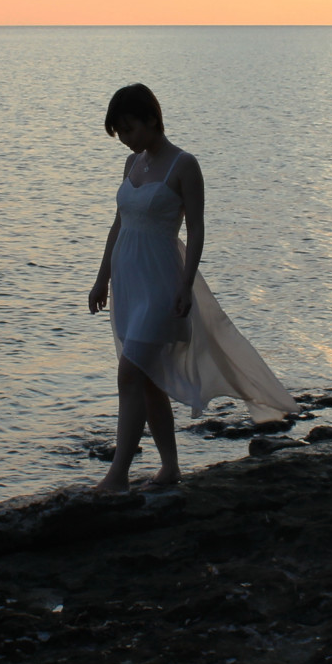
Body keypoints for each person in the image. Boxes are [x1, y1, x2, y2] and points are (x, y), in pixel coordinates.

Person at [86, 83, 299, 493]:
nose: (126, 139)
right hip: (129, 281)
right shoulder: (132, 164)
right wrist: (102, 277)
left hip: (162, 282)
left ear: (152, 118)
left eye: (129, 129)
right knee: (145, 378)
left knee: (129, 373)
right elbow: (119, 224)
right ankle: (170, 468)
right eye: (120, 133)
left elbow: (197, 229)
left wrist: (186, 284)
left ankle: (117, 477)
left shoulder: (184, 165)